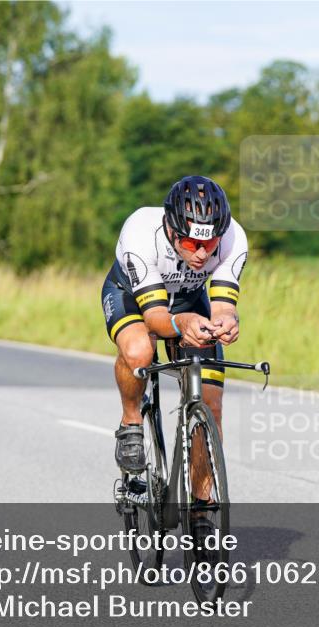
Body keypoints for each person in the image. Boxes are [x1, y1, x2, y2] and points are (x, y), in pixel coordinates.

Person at [102, 175, 247, 500]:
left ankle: (201, 504)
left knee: (210, 400)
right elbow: (155, 319)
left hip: (189, 300)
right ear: (170, 229)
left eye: (210, 244)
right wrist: (183, 323)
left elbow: (223, 305)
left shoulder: (233, 238)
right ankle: (131, 422)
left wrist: (227, 321)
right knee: (140, 350)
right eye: (191, 243)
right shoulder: (141, 232)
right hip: (133, 298)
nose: (201, 253)